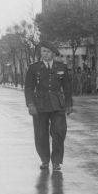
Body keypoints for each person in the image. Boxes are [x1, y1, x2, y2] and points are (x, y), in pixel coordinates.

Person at [24, 41, 73, 172]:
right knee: (41, 134)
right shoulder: (34, 68)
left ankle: (56, 161)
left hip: (58, 105)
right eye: (43, 52)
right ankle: (45, 160)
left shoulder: (61, 67)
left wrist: (69, 104)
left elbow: (67, 87)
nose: (45, 54)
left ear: (53, 54)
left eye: (47, 52)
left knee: (59, 133)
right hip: (40, 105)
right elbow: (28, 88)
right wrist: (30, 104)